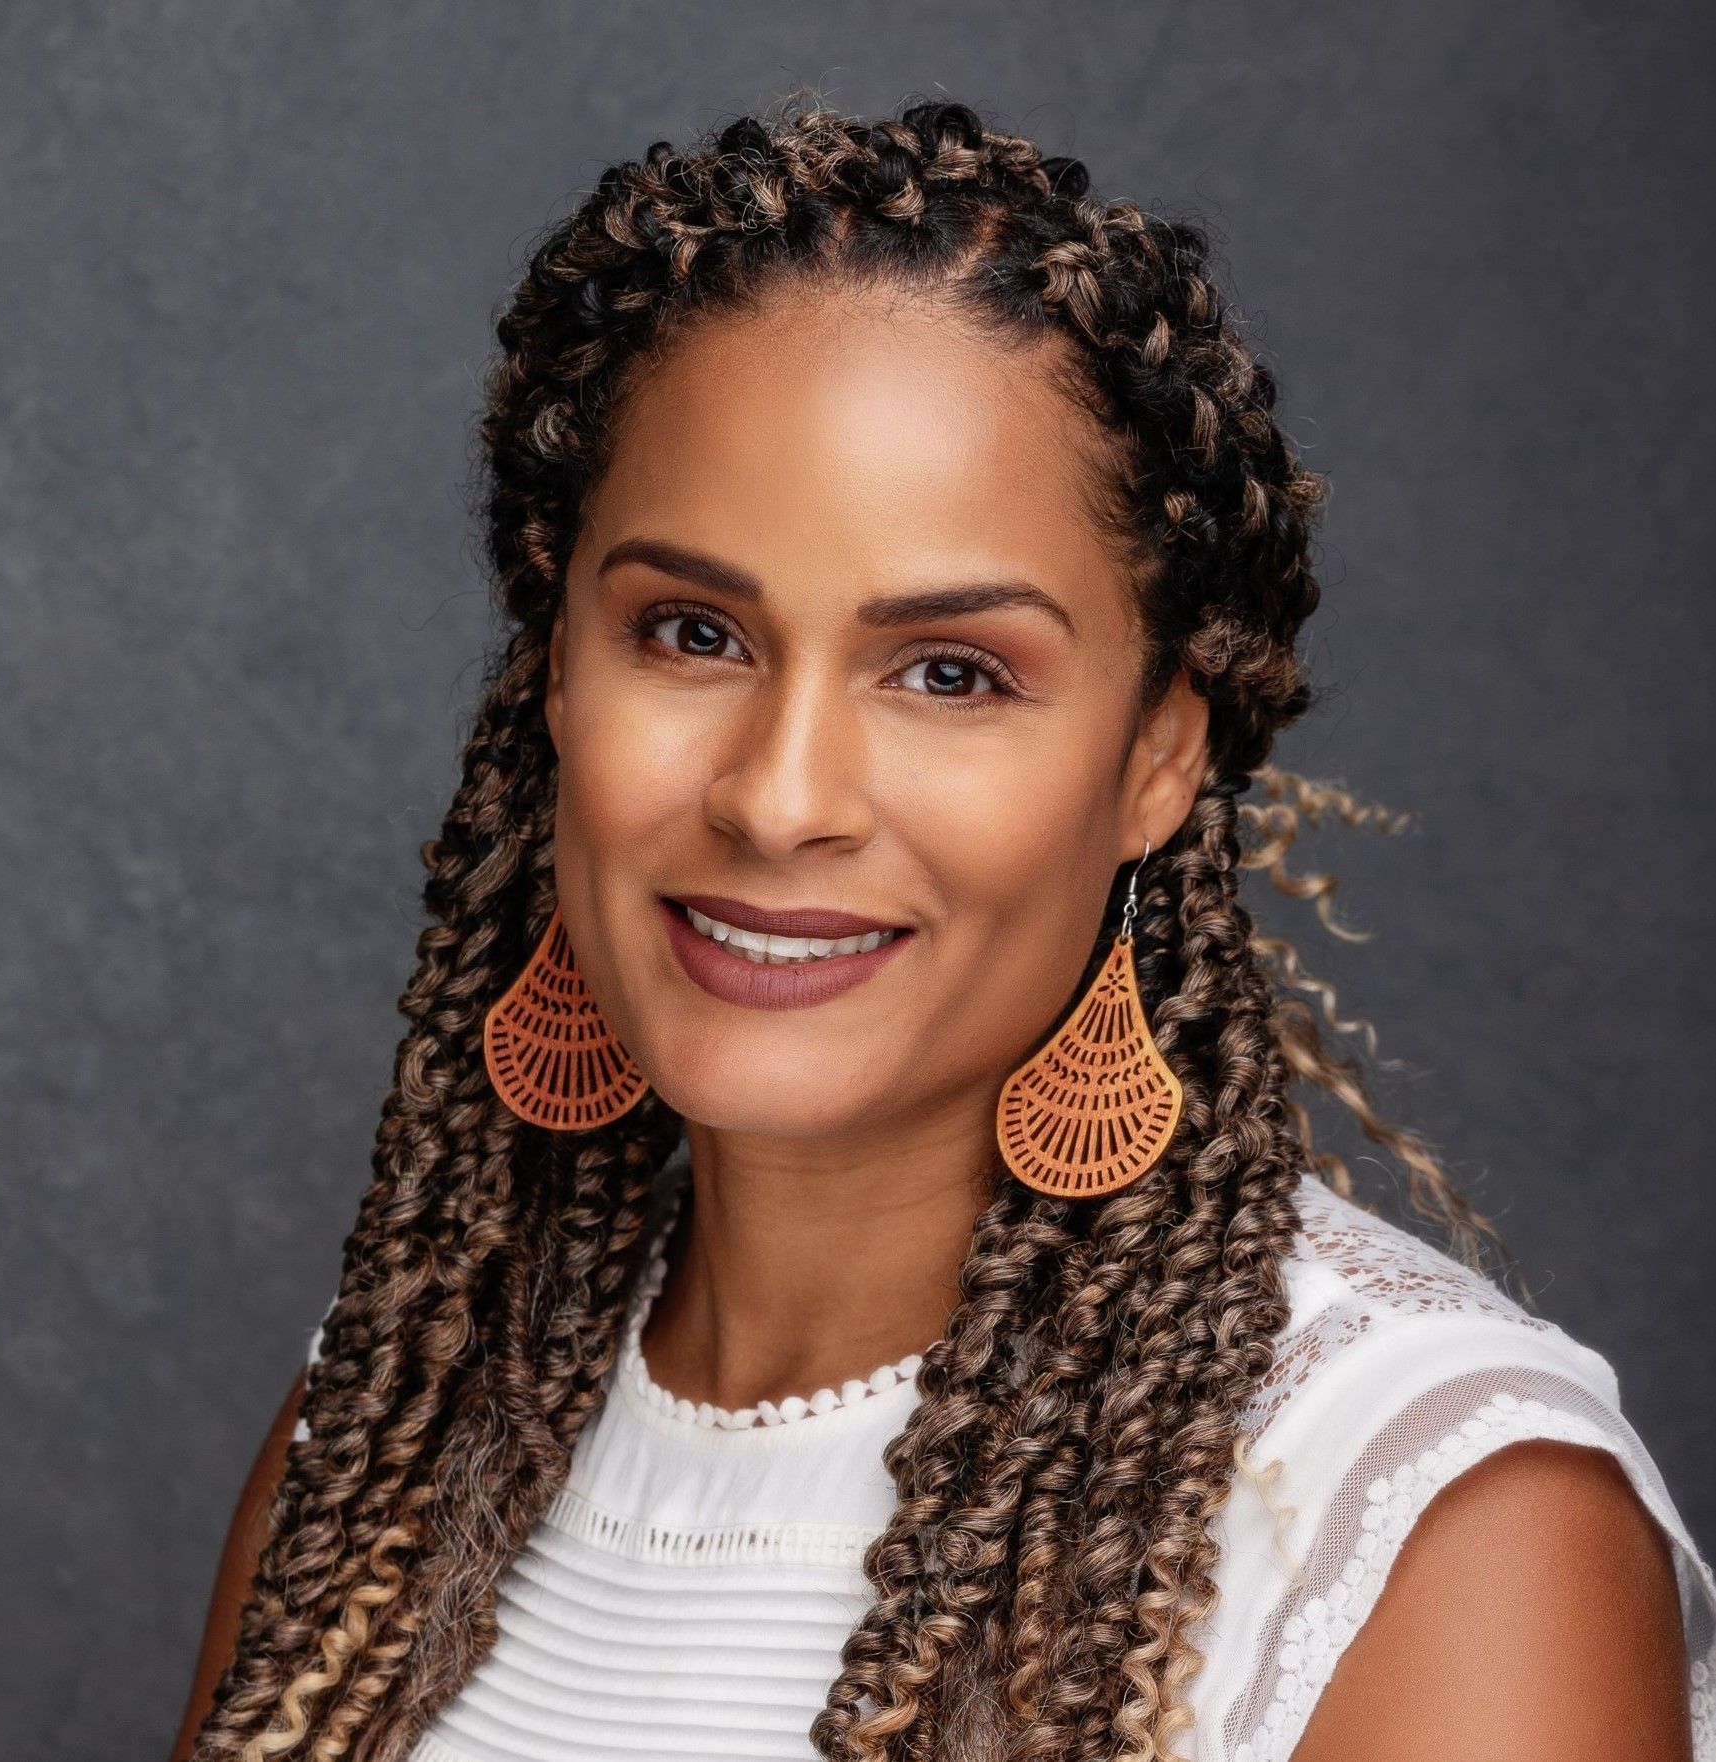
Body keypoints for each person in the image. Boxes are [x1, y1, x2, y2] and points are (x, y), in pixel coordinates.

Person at [172, 95, 1712, 1762]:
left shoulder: (1435, 1524)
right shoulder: (397, 1408)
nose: (778, 795)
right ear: (555, 674)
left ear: (1155, 754)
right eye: (690, 631)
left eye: (949, 672)